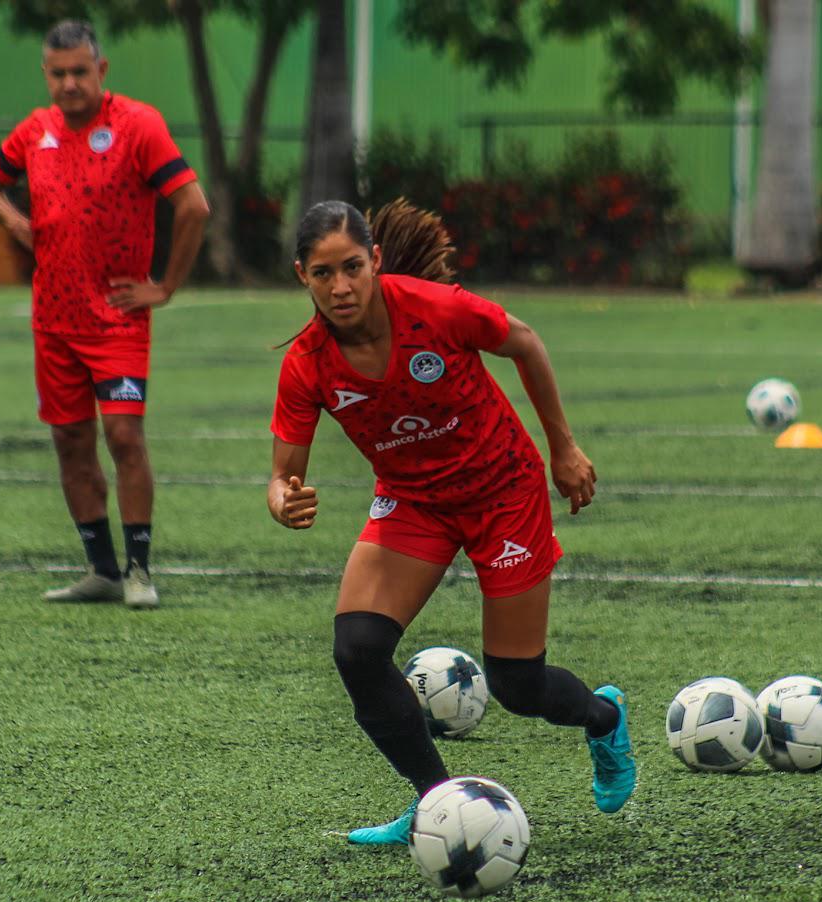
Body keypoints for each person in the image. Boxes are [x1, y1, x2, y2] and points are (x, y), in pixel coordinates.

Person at [267, 199, 637, 844]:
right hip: (414, 501)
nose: (341, 286)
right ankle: (437, 802)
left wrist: (563, 449)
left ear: (375, 260)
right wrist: (281, 498)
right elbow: (283, 475)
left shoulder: (438, 309)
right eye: (323, 273)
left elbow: (525, 342)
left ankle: (603, 718)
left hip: (503, 492)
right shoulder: (305, 362)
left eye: (352, 267)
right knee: (357, 651)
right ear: (303, 275)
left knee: (518, 685)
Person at [0, 20, 210, 608]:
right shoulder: (36, 130)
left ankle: (139, 572)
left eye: (81, 71)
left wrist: (165, 286)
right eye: (59, 73)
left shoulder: (137, 125)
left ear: (102, 71)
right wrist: (16, 224)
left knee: (124, 434)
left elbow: (194, 206)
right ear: (46, 75)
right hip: (53, 321)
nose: (70, 83)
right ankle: (101, 572)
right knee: (71, 442)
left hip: (117, 318)